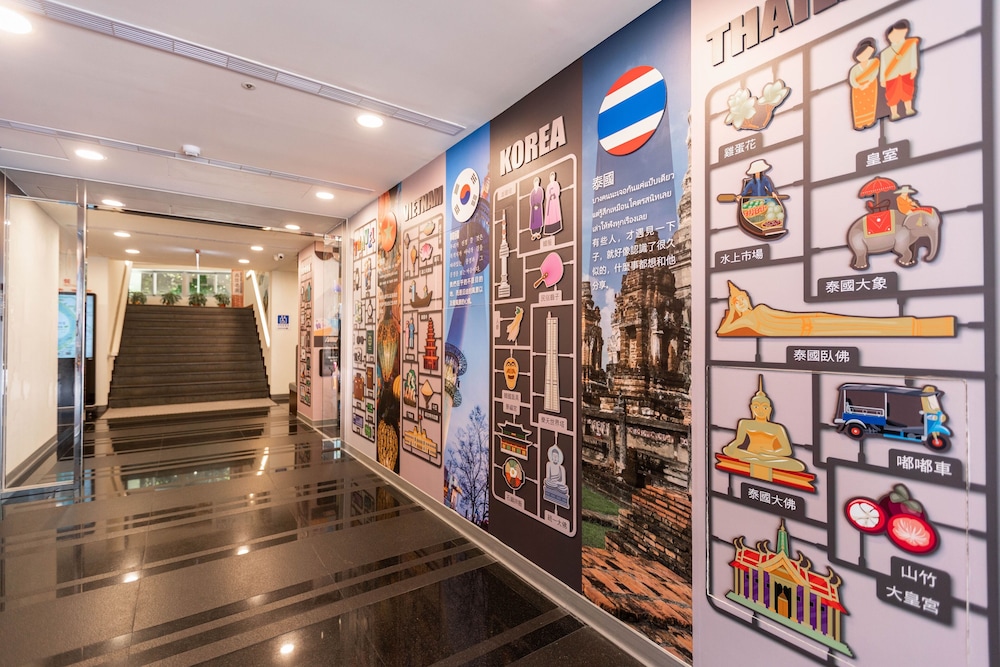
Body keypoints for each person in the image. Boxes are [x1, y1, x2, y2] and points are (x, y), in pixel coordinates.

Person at [716, 281, 955, 337]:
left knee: (854, 322)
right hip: (803, 329)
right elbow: (723, 330)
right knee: (861, 327)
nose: (743, 302)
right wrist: (733, 313)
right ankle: (917, 327)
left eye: (743, 298)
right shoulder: (746, 320)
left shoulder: (758, 311)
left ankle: (922, 325)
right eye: (738, 302)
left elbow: (786, 316)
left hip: (807, 321)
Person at [722, 376, 805, 472]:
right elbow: (738, 441)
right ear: (751, 408)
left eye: (764, 407)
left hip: (770, 457)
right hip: (751, 454)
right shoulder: (745, 423)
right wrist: (730, 447)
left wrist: (768, 454)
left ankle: (758, 461)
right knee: (727, 450)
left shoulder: (777, 428)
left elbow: (787, 451)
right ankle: (757, 460)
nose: (760, 410)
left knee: (798, 465)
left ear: (769, 409)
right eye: (756, 407)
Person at [879, 19, 920, 120]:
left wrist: (914, 68)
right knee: (892, 96)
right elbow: (883, 66)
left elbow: (913, 58)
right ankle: (894, 113)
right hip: (891, 77)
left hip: (906, 72)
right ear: (889, 37)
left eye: (899, 33)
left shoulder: (909, 45)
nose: (896, 36)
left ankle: (909, 109)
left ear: (905, 32)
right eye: (894, 34)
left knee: (907, 92)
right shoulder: (885, 53)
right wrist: (882, 79)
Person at [848, 38, 882, 130]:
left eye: (867, 53)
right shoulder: (855, 68)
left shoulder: (873, 63)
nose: (864, 56)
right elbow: (852, 80)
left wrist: (868, 83)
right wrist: (859, 86)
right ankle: (859, 122)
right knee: (859, 106)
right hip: (858, 89)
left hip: (870, 85)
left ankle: (870, 120)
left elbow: (874, 73)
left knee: (870, 103)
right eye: (862, 54)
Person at [543, 172, 563, 236]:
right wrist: (550, 197)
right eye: (551, 177)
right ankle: (549, 228)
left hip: (555, 201)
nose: (552, 178)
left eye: (553, 176)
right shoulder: (548, 186)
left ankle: (556, 226)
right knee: (549, 215)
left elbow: (557, 191)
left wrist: (554, 195)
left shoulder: (556, 183)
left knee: (555, 213)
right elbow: (547, 194)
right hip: (550, 203)